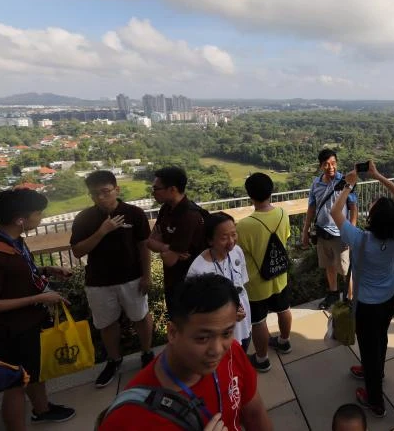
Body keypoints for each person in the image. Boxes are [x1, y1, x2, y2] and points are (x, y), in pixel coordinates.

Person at [98, 274, 273, 431]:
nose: (217, 350)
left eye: (226, 333)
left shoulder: (233, 352)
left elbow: (254, 414)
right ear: (173, 333)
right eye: (203, 338)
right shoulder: (128, 417)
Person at [0, 189, 76, 429]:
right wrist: (38, 298)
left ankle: (42, 409)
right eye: (38, 213)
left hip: (26, 324)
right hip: (9, 331)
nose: (41, 218)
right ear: (20, 219)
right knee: (15, 384)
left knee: (32, 372)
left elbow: (16, 278)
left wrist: (47, 271)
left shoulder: (11, 241)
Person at [330, 161, 394, 418]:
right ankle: (375, 370)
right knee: (381, 337)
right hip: (389, 299)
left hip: (367, 305)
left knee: (369, 347)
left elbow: (335, 211)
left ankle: (375, 400)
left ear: (373, 219)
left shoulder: (360, 239)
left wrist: (349, 185)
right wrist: (377, 175)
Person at [70, 170, 154, 388]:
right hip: (99, 281)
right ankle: (114, 359)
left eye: (105, 192)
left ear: (116, 189)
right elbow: (78, 251)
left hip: (132, 278)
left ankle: (147, 353)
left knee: (140, 316)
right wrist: (102, 231)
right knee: (107, 324)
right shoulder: (84, 218)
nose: (100, 197)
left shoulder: (134, 213)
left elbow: (143, 246)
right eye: (94, 194)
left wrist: (147, 275)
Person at [236, 173, 292, 373]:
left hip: (256, 283)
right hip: (280, 275)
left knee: (258, 321)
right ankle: (284, 342)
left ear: (250, 195)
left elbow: (240, 253)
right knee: (283, 308)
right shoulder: (283, 214)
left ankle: (262, 359)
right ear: (271, 191)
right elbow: (284, 237)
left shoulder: (243, 226)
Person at [186, 212, 251, 354]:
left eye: (234, 234)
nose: (231, 241)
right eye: (224, 237)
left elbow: (242, 284)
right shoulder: (198, 269)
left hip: (243, 320)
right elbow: (196, 311)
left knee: (242, 353)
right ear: (210, 240)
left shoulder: (237, 252)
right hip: (219, 332)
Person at [301, 149, 358, 310]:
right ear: (321, 166)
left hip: (341, 233)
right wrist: (305, 231)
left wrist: (351, 232)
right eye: (326, 164)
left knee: (345, 269)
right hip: (322, 232)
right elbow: (311, 207)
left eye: (333, 163)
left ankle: (349, 298)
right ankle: (333, 294)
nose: (330, 167)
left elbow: (353, 208)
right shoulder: (316, 183)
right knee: (329, 266)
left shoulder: (346, 181)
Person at [147, 166, 207, 313]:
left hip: (190, 284)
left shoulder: (189, 216)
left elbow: (170, 260)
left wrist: (160, 244)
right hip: (172, 282)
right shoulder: (166, 209)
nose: (153, 192)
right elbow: (150, 242)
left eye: (156, 189)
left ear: (172, 189)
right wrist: (167, 248)